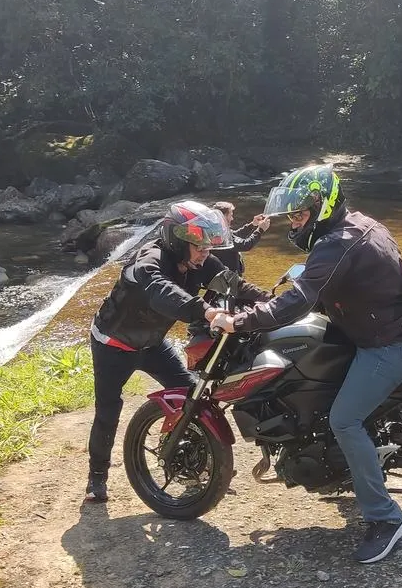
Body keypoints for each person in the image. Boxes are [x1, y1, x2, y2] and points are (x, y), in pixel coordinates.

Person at [209, 164, 402, 564]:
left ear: (322, 206)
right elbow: (331, 280)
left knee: (345, 420)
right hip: (375, 330)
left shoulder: (335, 242)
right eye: (291, 215)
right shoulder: (356, 225)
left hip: (389, 345)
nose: (294, 222)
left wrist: (240, 321)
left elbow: (298, 300)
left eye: (299, 214)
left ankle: (386, 518)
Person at [86, 200, 270, 502]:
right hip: (113, 345)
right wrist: (207, 311)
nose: (205, 253)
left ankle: (197, 463)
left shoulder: (201, 261)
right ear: (177, 240)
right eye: (199, 246)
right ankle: (97, 477)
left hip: (152, 343)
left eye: (208, 247)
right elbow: (163, 292)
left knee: (190, 396)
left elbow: (234, 284)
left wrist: (273, 302)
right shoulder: (149, 261)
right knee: (108, 412)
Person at [210, 201, 270, 277]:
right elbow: (246, 245)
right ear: (223, 217)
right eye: (231, 215)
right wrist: (260, 230)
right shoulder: (222, 235)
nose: (232, 218)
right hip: (228, 279)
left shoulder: (215, 230)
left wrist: (252, 224)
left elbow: (236, 235)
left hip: (224, 276)